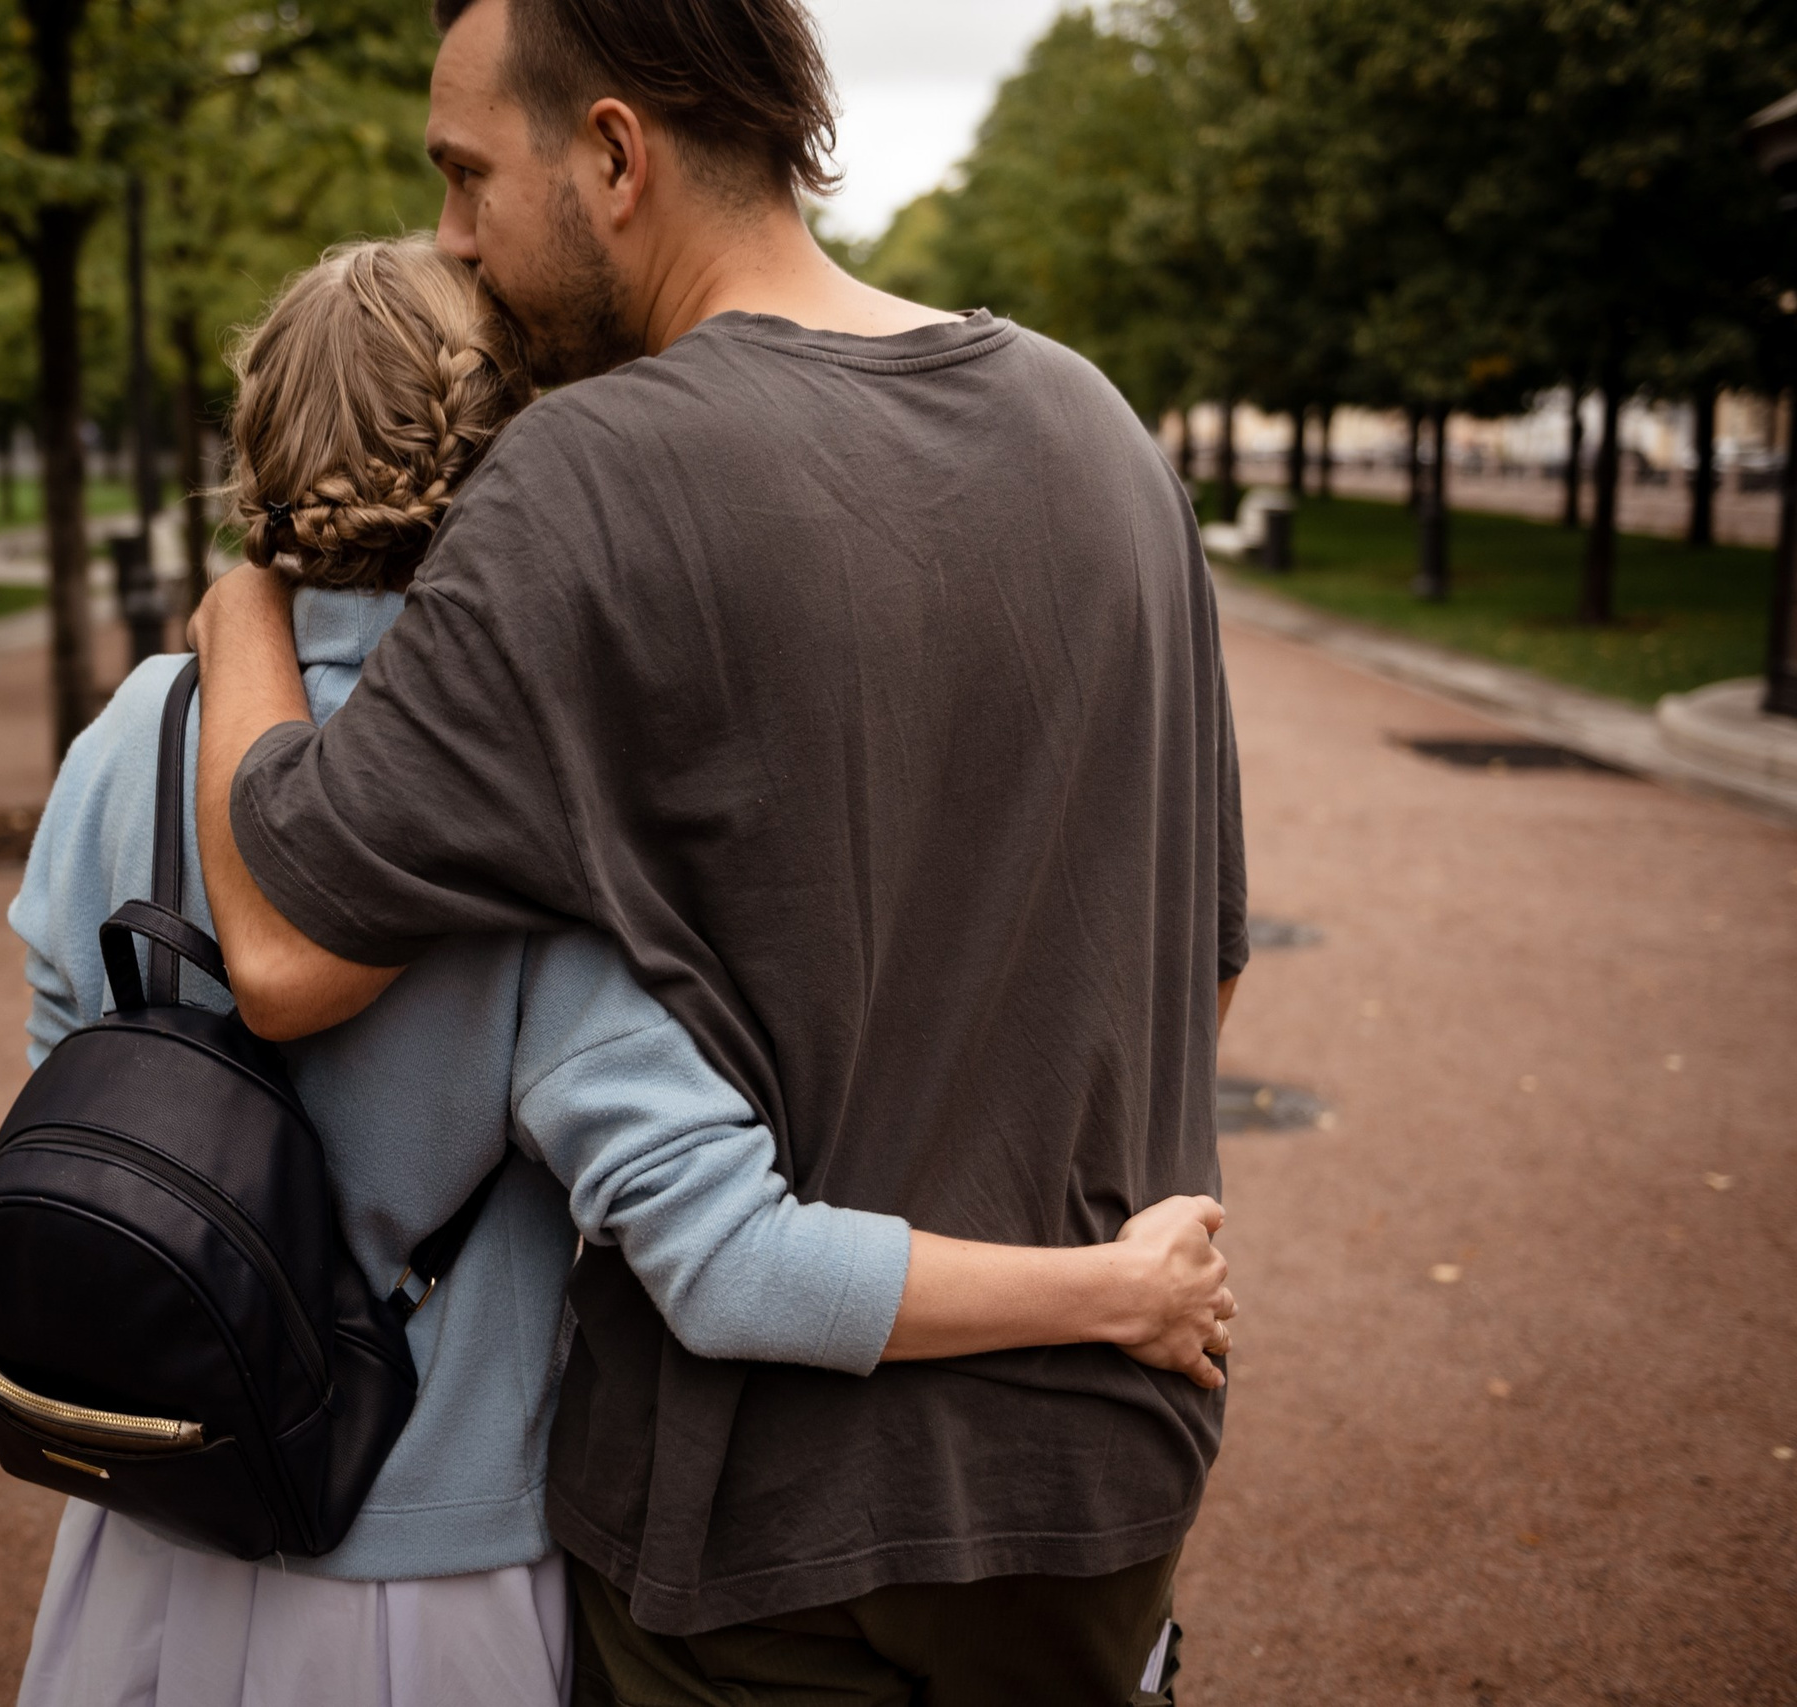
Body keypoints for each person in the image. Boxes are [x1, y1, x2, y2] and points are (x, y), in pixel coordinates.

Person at [185, 3, 1249, 1702]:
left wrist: (243, 603)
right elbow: (1196, 964)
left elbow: (290, 946)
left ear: (613, 155)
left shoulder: (590, 476)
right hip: (1098, 1485)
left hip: (754, 1525)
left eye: (467, 177)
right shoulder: (1104, 433)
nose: (454, 239)